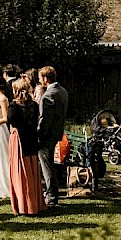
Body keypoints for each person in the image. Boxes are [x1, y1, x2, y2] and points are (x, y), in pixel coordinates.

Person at [7, 79, 45, 216]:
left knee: (21, 173)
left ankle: (24, 205)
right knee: (32, 172)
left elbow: (11, 121)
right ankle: (35, 204)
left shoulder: (13, 106)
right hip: (32, 139)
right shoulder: (34, 105)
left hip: (19, 140)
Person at [36, 66, 68, 208]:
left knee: (46, 166)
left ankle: (51, 196)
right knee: (49, 164)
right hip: (57, 132)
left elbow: (45, 119)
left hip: (47, 134)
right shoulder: (62, 91)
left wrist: (39, 133)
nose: (39, 81)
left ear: (45, 78)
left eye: (40, 78)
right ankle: (51, 193)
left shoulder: (49, 95)